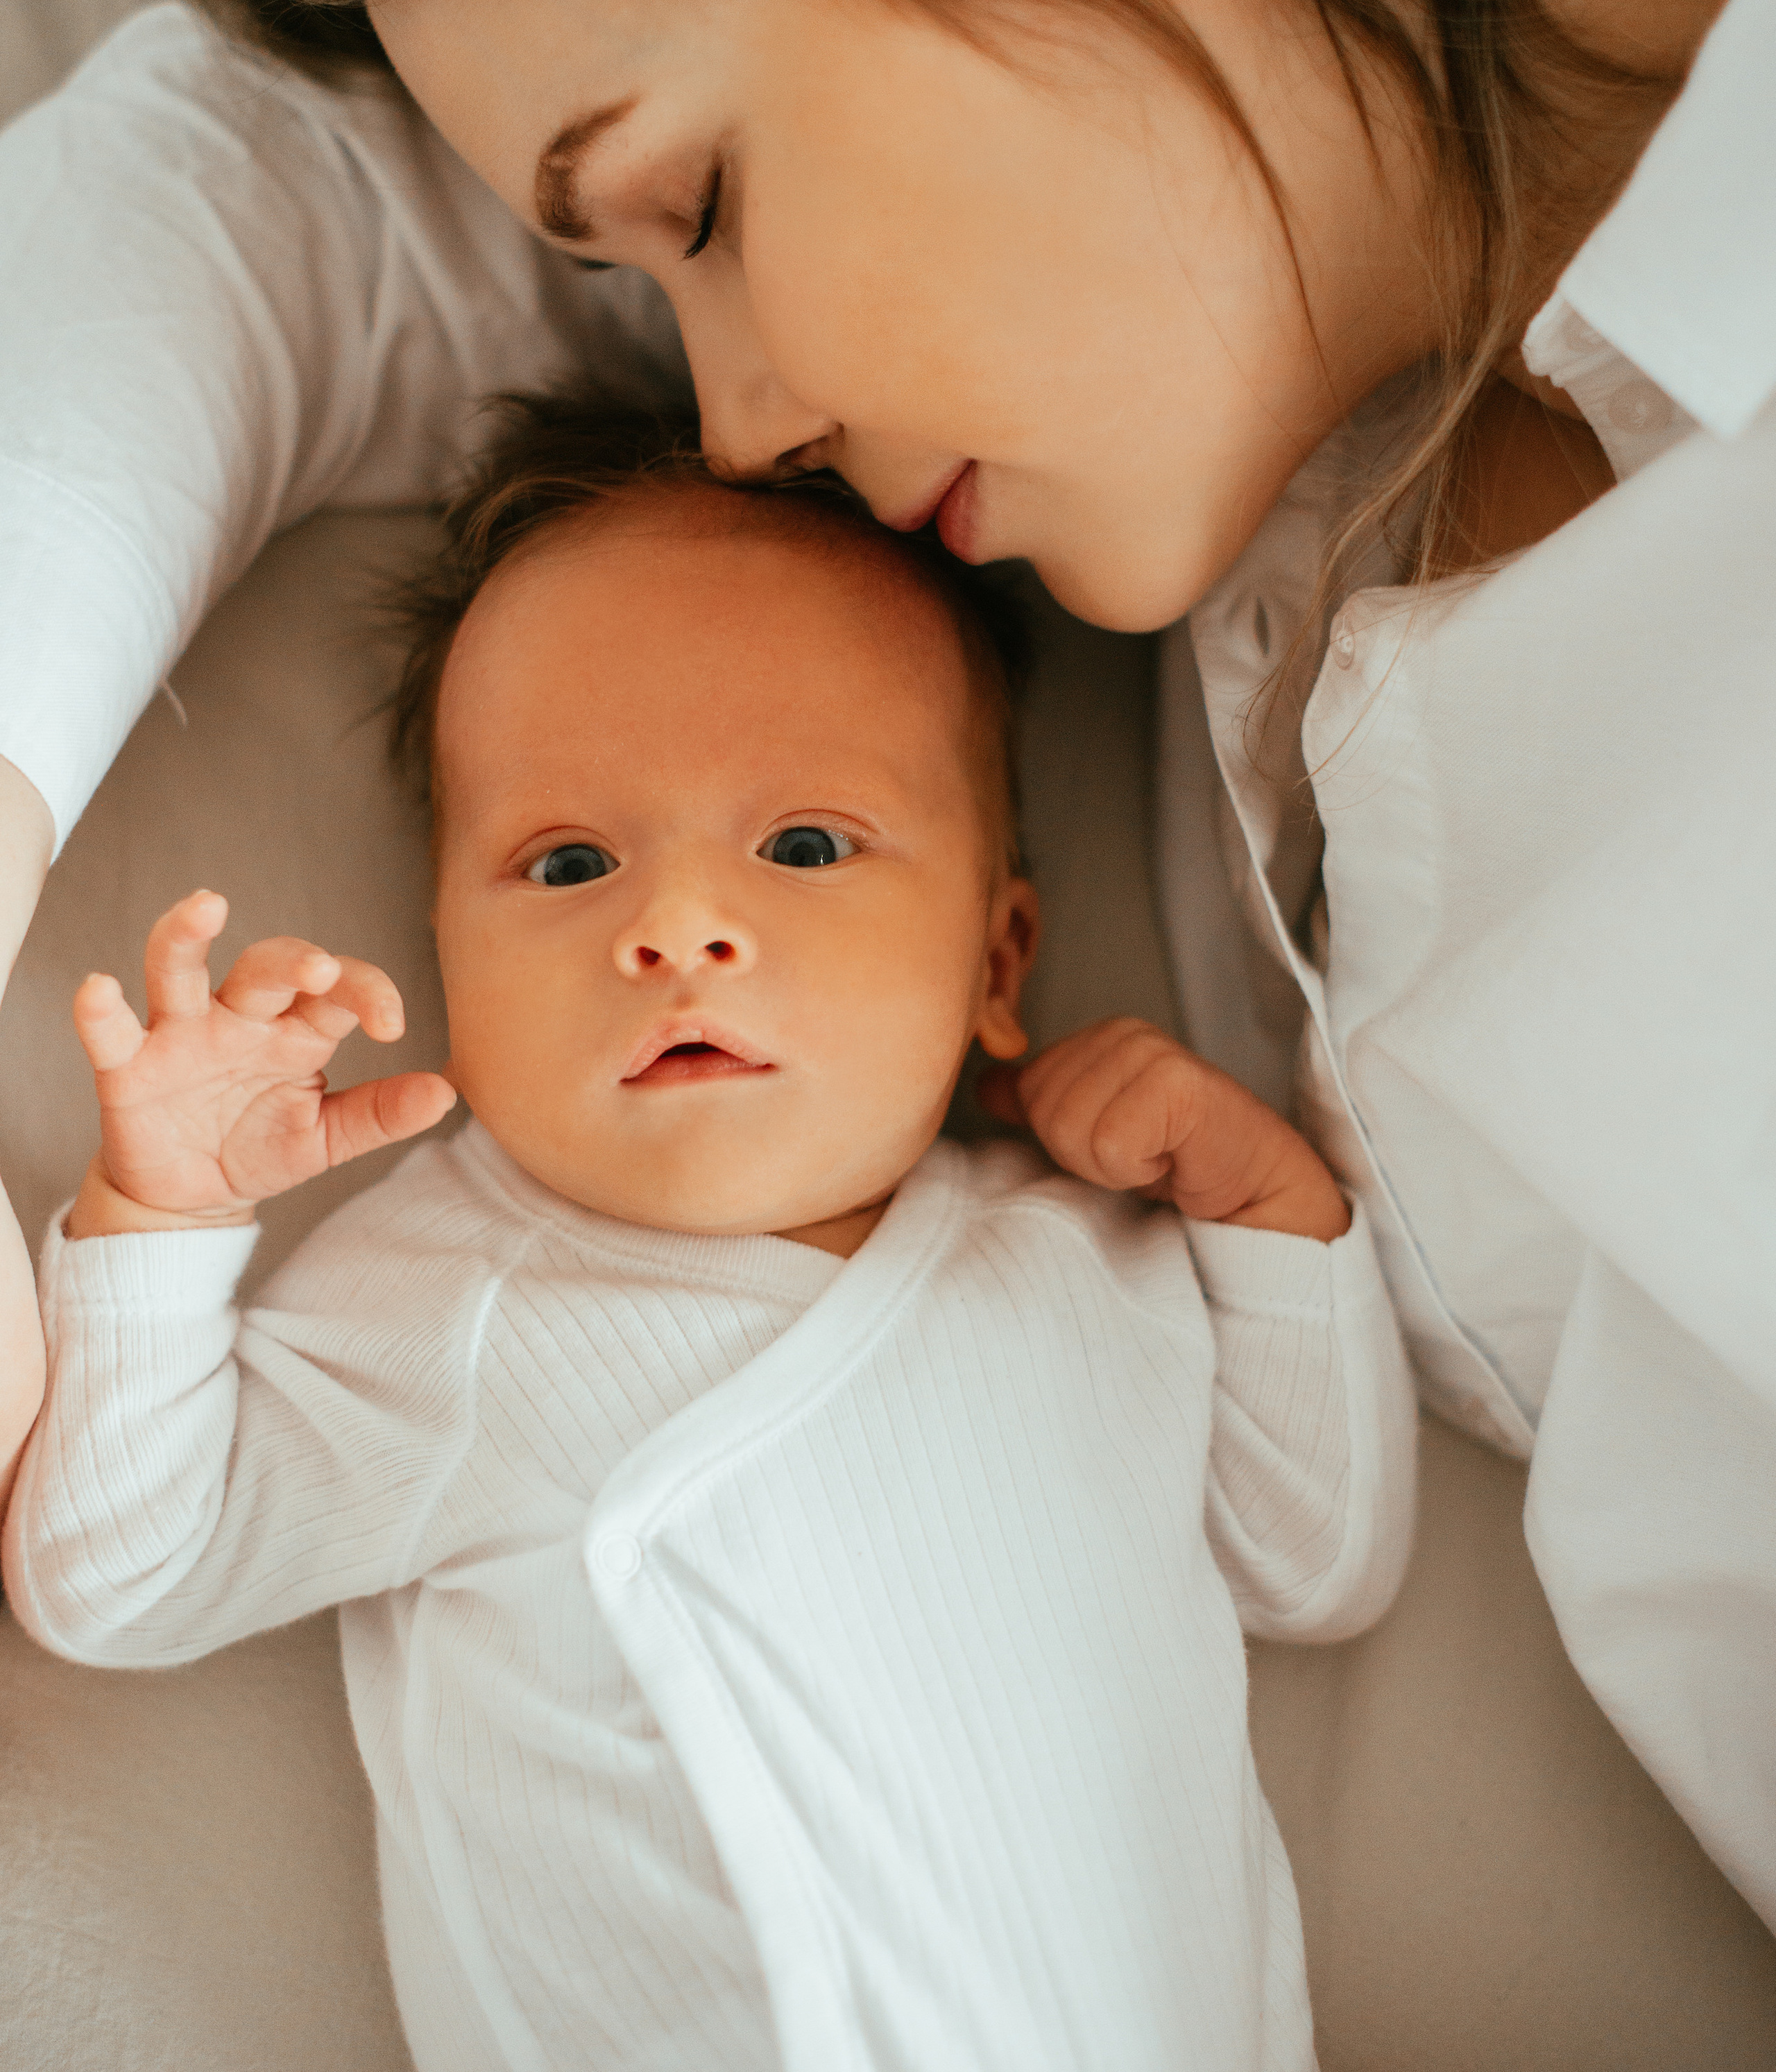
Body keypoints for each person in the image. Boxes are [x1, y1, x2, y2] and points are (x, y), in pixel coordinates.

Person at [0, 0, 1771, 1930]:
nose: (733, 428)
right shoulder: (1222, 313)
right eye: (642, 266)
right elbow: (260, 194)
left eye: (702, 209)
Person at [2, 404, 1415, 2072]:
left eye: (804, 845)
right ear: (449, 956)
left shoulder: (1090, 1263)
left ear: (995, 956)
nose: (675, 926)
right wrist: (168, 1211)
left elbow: (1314, 1561)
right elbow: (125, 1577)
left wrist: (1266, 1209)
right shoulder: (455, 1299)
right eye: (569, 860)